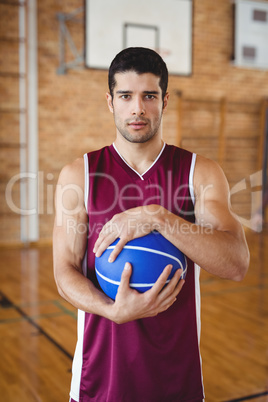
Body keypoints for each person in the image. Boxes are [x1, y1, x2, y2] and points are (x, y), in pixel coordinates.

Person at [53, 47, 250, 402]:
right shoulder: (78, 176)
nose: (137, 108)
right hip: (99, 381)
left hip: (177, 381)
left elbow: (236, 262)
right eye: (126, 96)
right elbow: (64, 272)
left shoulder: (198, 173)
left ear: (165, 100)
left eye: (149, 96)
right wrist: (111, 310)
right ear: (110, 102)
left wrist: (158, 216)